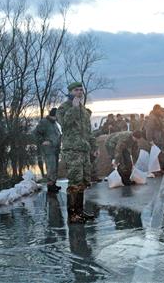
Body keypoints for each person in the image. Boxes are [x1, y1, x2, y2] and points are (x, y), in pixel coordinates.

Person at [57, 82, 97, 223]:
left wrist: (94, 147)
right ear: (70, 92)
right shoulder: (64, 108)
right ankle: (72, 215)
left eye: (81, 90)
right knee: (74, 182)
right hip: (72, 150)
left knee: (83, 181)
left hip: (84, 150)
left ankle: (80, 211)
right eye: (76, 90)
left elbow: (88, 131)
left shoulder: (83, 110)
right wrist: (74, 108)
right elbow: (65, 124)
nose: (79, 92)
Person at [33, 108, 62, 193]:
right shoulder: (44, 122)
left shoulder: (54, 123)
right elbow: (35, 133)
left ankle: (53, 184)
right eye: (57, 116)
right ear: (54, 115)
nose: (58, 118)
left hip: (55, 149)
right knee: (51, 167)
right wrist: (43, 141)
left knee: (55, 167)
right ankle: (50, 185)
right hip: (48, 150)